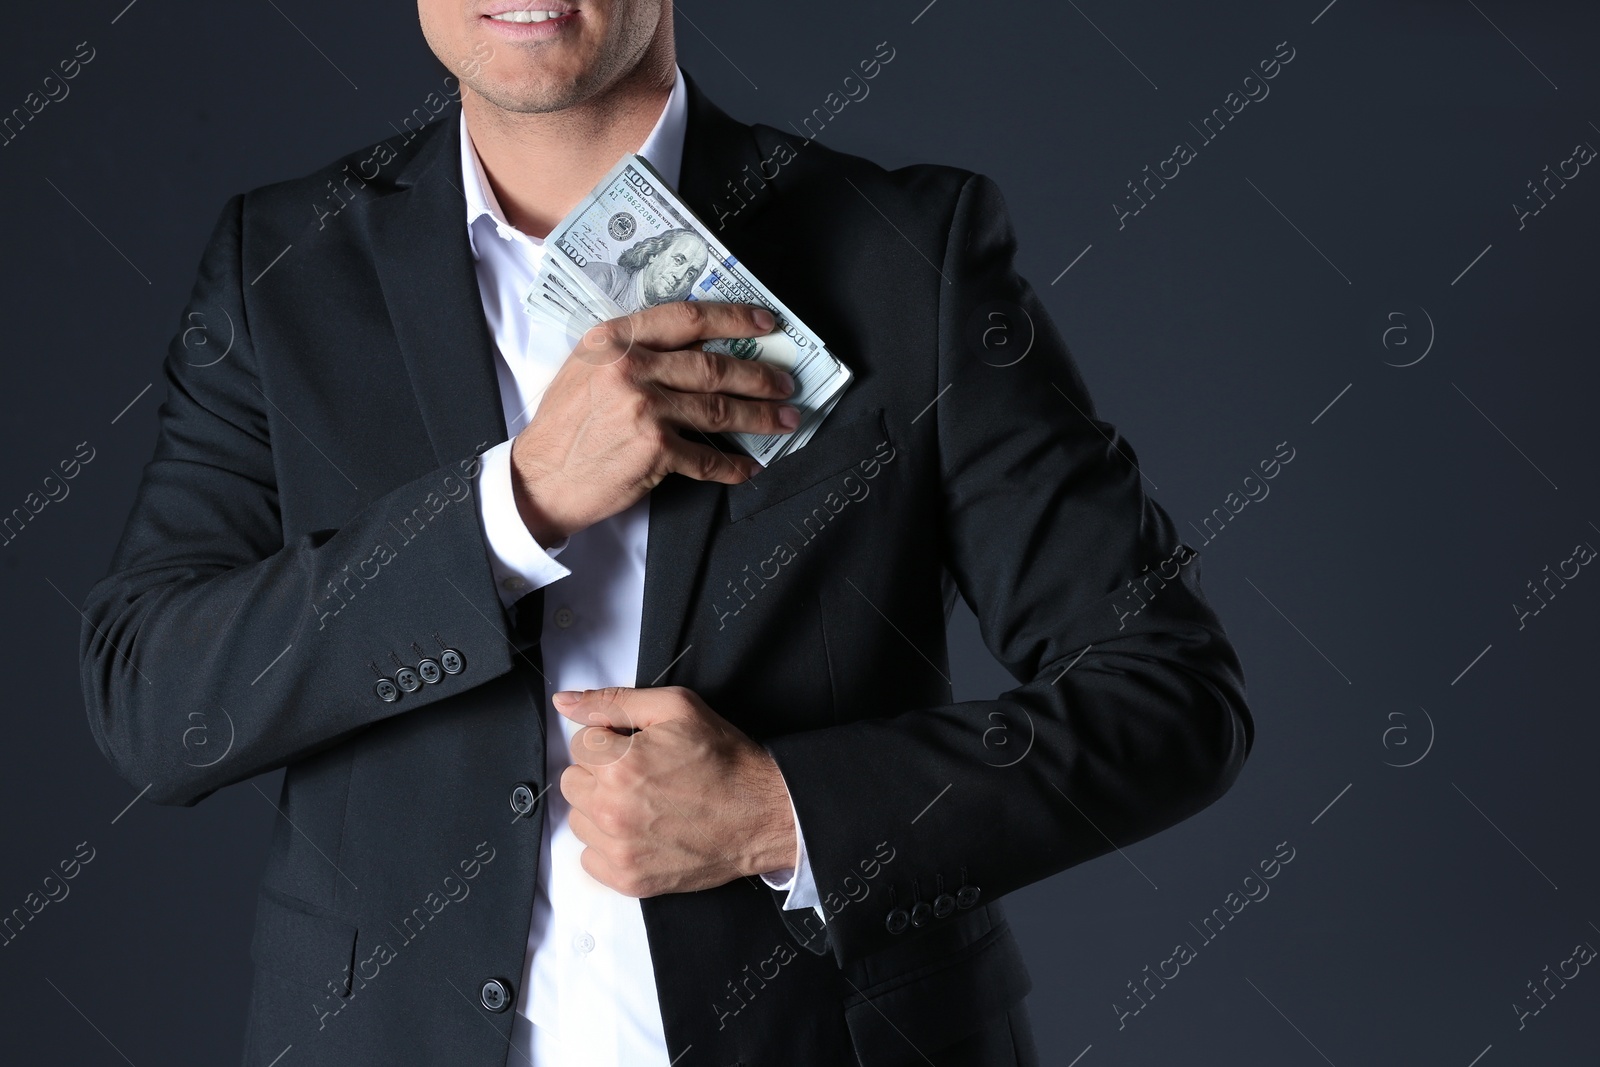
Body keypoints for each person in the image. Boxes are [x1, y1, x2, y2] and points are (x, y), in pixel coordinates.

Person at [78, 2, 1254, 1065]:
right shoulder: (278, 267)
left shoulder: (908, 253)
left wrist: (784, 810)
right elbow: (156, 699)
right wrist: (515, 502)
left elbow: (1170, 697)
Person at [582, 227, 710, 312]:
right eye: (677, 260)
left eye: (690, 273)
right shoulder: (603, 277)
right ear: (654, 254)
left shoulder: (663, 323)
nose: (680, 276)